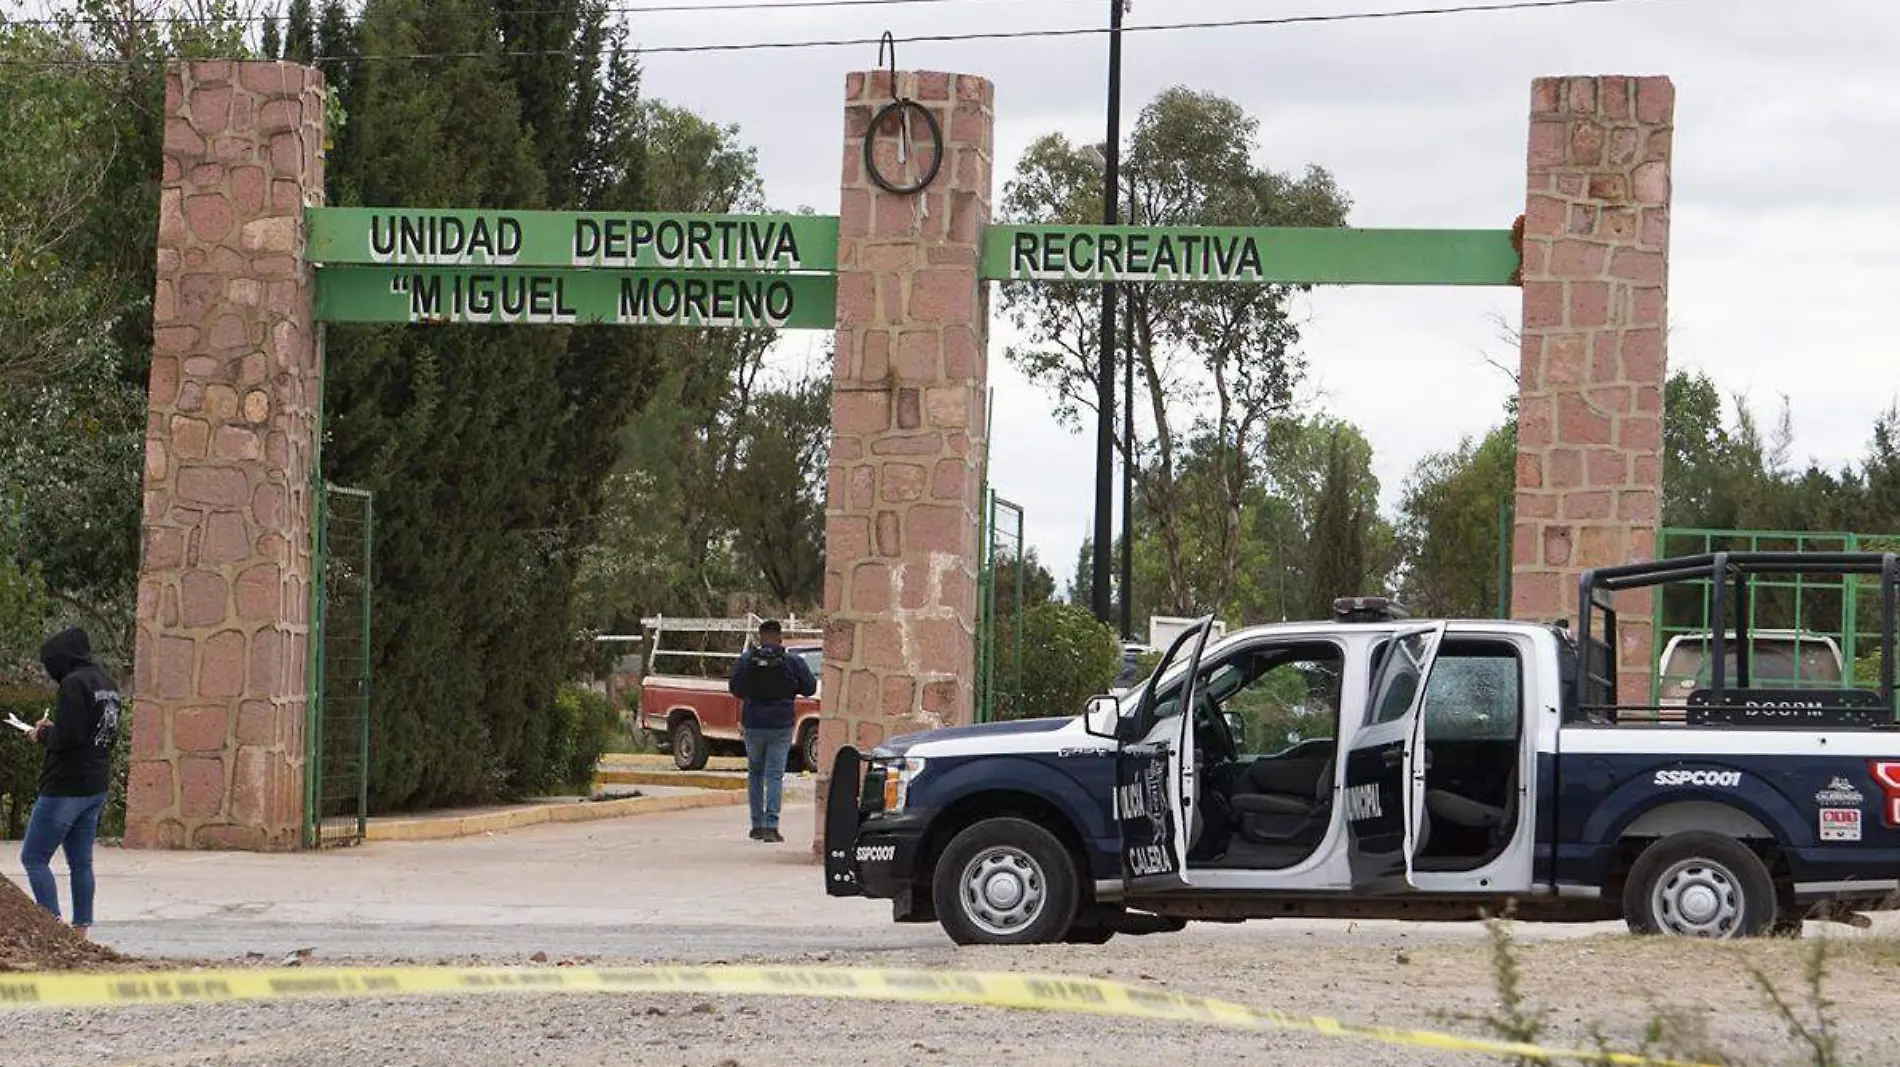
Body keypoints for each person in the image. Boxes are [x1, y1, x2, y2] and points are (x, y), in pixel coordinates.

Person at [20, 626, 122, 938]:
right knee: (81, 863)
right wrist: (57, 728)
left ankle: (53, 928)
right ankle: (81, 932)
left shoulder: (73, 684)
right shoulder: (107, 684)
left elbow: (68, 737)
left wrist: (41, 733)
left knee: (34, 857)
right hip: (95, 784)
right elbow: (101, 733)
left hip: (65, 786)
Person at [728, 619, 816, 843]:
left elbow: (735, 688)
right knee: (774, 775)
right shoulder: (792, 661)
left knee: (755, 774)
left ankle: (756, 825)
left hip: (753, 723)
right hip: (781, 725)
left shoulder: (748, 659)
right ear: (779, 637)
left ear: (760, 636)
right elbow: (810, 688)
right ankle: (771, 825)